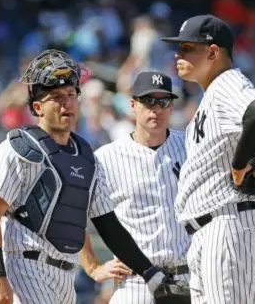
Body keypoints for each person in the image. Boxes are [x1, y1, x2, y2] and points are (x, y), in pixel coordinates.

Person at [0, 50, 171, 304]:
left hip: (66, 277)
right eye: (56, 97)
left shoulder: (86, 155)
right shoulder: (18, 148)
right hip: (23, 268)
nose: (66, 103)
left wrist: (148, 271)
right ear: (38, 108)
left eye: (71, 95)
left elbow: (106, 224)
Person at [161, 15, 255, 304]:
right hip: (213, 228)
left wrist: (239, 164)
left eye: (187, 48)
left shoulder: (226, 84)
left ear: (212, 52)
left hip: (228, 223)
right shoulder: (212, 94)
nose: (178, 54)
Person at [80, 71, 191, 303]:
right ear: (133, 105)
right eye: (148, 100)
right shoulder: (105, 158)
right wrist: (92, 266)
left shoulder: (191, 146)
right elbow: (73, 214)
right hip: (135, 282)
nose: (156, 108)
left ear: (172, 106)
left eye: (164, 101)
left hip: (188, 278)